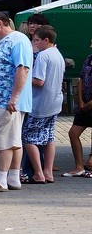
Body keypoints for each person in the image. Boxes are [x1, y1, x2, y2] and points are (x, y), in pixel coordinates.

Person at [0, 11, 33, 193]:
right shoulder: (5, 42)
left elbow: (22, 68)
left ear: (0, 23)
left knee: (4, 139)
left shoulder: (18, 40)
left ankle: (1, 178)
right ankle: (13, 176)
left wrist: (14, 97)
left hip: (6, 100)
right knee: (12, 139)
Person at [23, 25, 63, 183]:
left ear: (47, 40)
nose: (35, 43)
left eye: (37, 40)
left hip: (41, 103)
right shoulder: (57, 53)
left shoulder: (43, 55)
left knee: (28, 137)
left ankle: (38, 172)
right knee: (49, 136)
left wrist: (24, 77)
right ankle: (48, 172)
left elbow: (39, 81)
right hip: (55, 101)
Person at [67, 37, 92, 176]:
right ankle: (79, 166)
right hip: (85, 103)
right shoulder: (88, 59)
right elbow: (81, 78)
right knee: (73, 133)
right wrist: (81, 101)